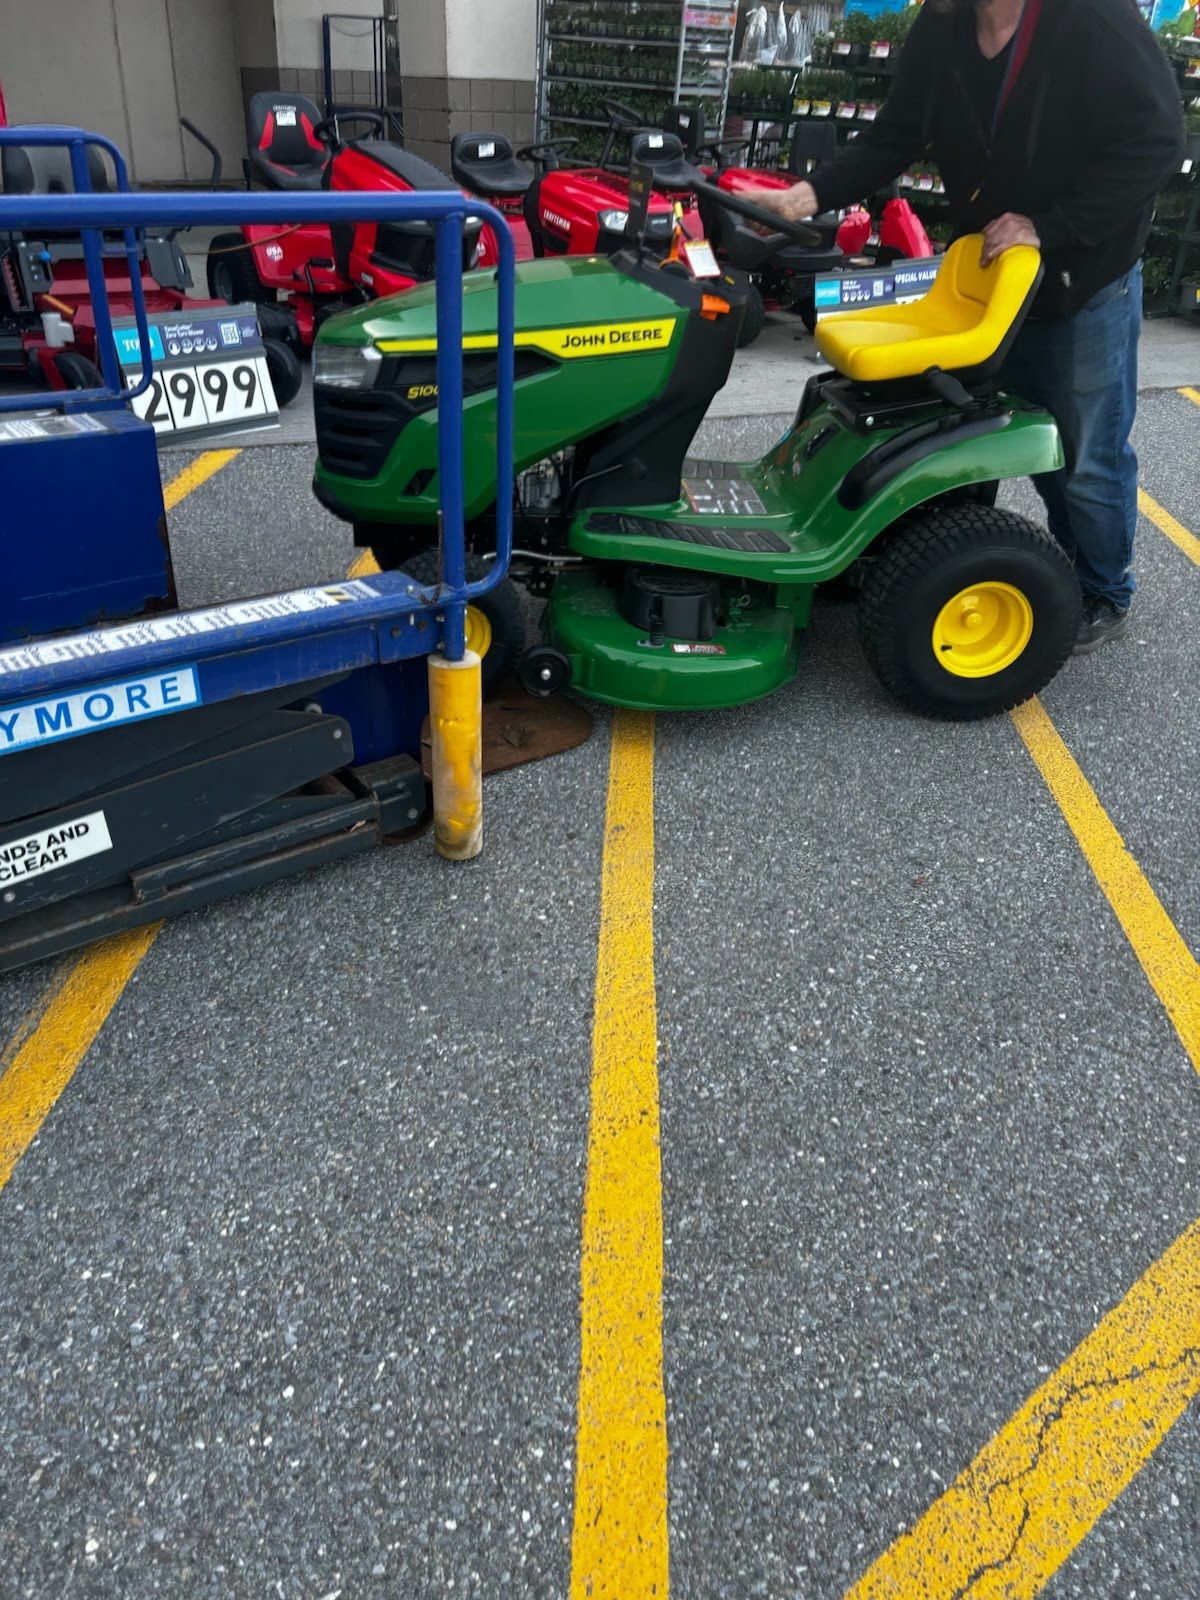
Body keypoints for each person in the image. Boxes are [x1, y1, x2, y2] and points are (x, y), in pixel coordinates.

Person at [747, 0, 1186, 652]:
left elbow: (1156, 144)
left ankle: (1100, 589)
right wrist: (804, 198)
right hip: (986, 279)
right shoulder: (944, 25)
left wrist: (1050, 226)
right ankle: (937, 554)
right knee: (960, 423)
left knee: (1085, 457)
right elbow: (895, 134)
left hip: (1081, 280)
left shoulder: (1094, 21)